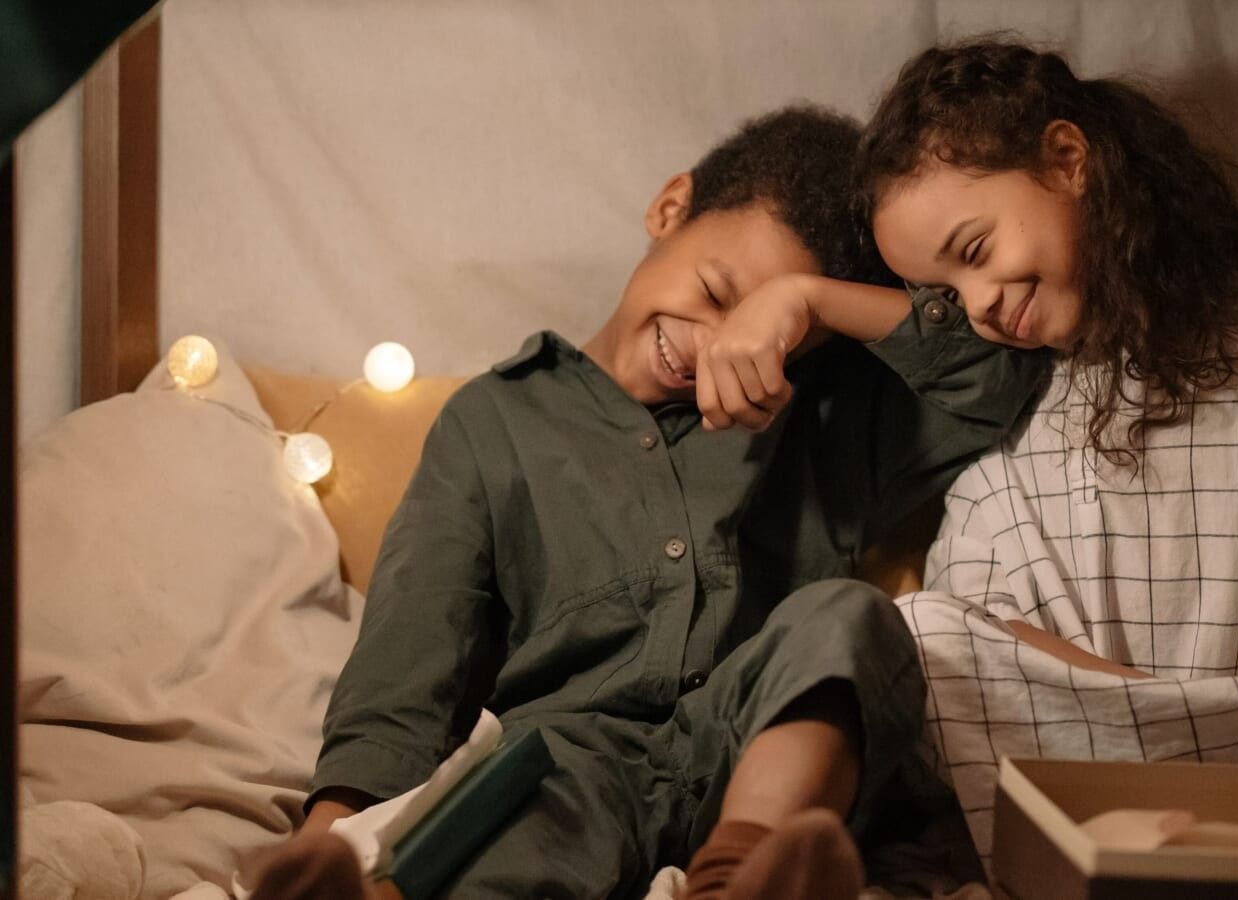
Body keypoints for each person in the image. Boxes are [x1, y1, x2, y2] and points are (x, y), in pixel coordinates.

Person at [248, 104, 1048, 899]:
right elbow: (410, 652)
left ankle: (739, 880)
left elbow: (1003, 374)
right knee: (485, 825)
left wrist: (807, 303)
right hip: (565, 765)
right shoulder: (495, 420)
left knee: (848, 618)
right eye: (714, 293)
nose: (709, 347)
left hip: (760, 762)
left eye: (753, 330)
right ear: (671, 209)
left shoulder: (822, 413)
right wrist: (338, 826)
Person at [852, 39, 1238, 861]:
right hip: (1085, 750)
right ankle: (1163, 793)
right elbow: (979, 642)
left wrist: (1236, 726)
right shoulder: (1006, 403)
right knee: (918, 632)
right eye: (946, 296)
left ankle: (1192, 793)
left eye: (976, 251)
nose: (980, 303)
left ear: (1068, 160)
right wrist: (1152, 717)